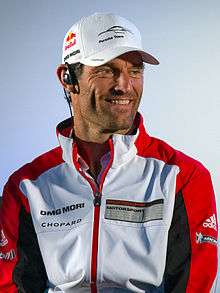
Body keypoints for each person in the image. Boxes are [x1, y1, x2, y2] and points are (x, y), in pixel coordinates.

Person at [0, 12, 218, 293]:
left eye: (135, 71)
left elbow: (193, 287)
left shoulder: (183, 177)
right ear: (67, 78)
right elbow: (11, 285)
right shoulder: (26, 187)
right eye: (105, 69)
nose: (124, 85)